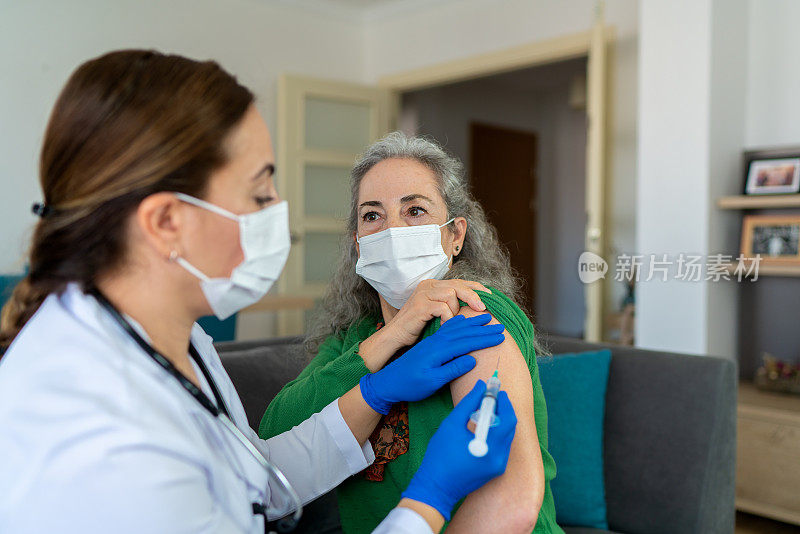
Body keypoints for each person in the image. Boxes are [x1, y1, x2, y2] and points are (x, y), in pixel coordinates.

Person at [0, 50, 517, 534]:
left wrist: (373, 393)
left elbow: (255, 475)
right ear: (166, 222)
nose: (277, 213)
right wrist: (431, 497)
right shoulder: (99, 433)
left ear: (457, 234)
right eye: (258, 192)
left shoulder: (181, 341)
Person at [259, 133, 563, 533]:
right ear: (358, 244)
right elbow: (273, 446)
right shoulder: (356, 339)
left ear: (455, 236)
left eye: (415, 210)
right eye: (372, 216)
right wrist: (391, 337)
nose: (393, 230)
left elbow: (510, 506)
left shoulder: (469, 311)